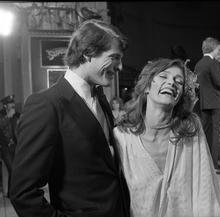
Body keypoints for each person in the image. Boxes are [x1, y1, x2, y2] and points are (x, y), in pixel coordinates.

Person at [9, 19, 130, 217]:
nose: (120, 67)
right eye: (114, 57)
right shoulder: (46, 105)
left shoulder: (101, 98)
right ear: (88, 53)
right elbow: (23, 193)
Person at [114, 58, 220, 217]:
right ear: (148, 86)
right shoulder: (123, 137)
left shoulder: (190, 130)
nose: (172, 83)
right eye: (164, 77)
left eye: (179, 81)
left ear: (181, 94)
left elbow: (205, 190)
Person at [194, 37, 220, 174]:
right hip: (217, 103)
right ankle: (218, 166)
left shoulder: (198, 64)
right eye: (218, 49)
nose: (219, 52)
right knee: (218, 134)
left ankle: (207, 165)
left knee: (207, 134)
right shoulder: (213, 63)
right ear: (213, 48)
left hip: (205, 103)